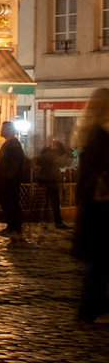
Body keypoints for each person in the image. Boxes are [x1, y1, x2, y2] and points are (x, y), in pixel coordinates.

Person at [73, 90, 109, 324]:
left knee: (98, 260)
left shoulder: (93, 134)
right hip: (101, 205)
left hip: (96, 205)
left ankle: (93, 306)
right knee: (100, 261)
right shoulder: (100, 135)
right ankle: (91, 308)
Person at [0, 123, 27, 237]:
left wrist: (8, 177)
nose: (1, 130)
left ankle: (15, 227)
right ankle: (11, 226)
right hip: (4, 178)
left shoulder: (13, 144)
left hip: (8, 180)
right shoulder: (8, 143)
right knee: (6, 203)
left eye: (4, 128)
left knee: (11, 203)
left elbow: (15, 163)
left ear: (10, 130)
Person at [34, 136, 69, 229]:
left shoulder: (49, 151)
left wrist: (58, 143)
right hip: (50, 178)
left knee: (49, 200)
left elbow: (63, 151)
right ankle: (56, 221)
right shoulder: (48, 151)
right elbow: (61, 152)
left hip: (48, 178)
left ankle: (45, 219)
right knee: (53, 200)